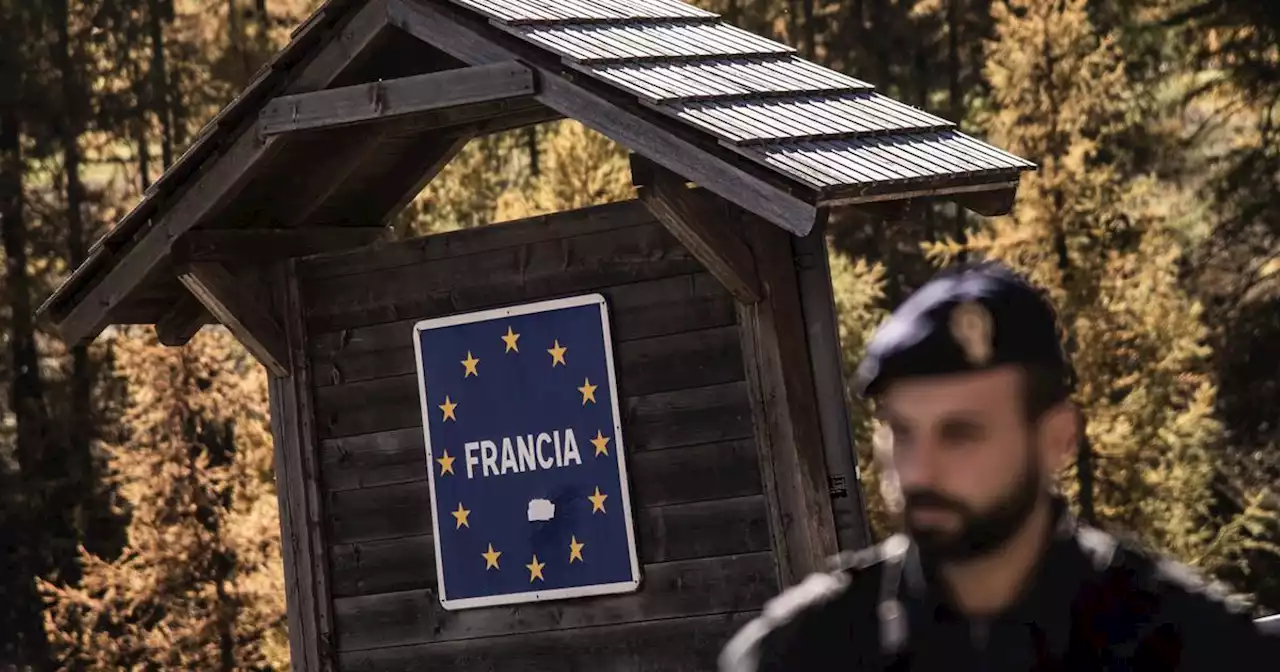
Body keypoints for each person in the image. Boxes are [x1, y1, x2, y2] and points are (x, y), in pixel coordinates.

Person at [718, 261, 1280, 671]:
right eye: (902, 430)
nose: (919, 470)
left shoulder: (1190, 647)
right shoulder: (801, 653)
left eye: (961, 433)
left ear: (1058, 439)